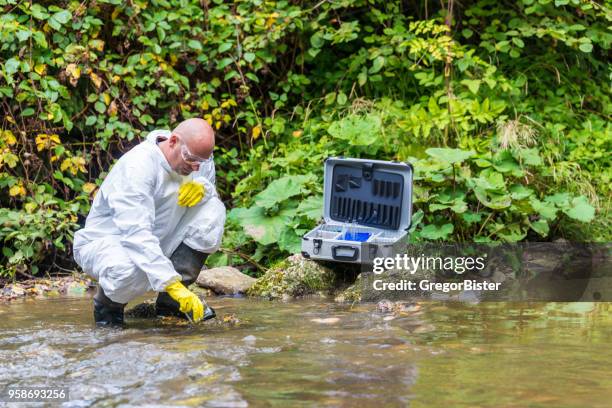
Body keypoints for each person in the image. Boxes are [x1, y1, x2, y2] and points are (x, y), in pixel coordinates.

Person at [73, 118, 226, 326]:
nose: (195, 167)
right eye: (190, 159)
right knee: (127, 268)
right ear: (173, 141)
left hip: (162, 235)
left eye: (201, 162)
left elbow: (208, 190)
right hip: (111, 243)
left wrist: (204, 188)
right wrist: (171, 283)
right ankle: (108, 308)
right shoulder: (138, 166)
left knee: (214, 210)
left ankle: (171, 303)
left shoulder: (197, 158)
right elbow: (136, 235)